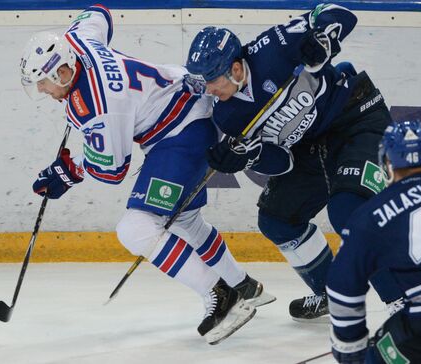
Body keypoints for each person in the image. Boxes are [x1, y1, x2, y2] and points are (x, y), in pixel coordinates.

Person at [19, 4, 275, 344]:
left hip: (183, 132)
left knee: (136, 228)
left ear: (62, 73)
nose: (43, 91)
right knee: (185, 221)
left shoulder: (101, 105)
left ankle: (223, 297)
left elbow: (113, 170)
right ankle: (245, 285)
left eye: (44, 84)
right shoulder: (77, 39)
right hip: (186, 107)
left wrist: (70, 170)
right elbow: (99, 12)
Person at [185, 3, 392, 320]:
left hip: (355, 118)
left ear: (236, 68)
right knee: (276, 219)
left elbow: (338, 11)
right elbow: (283, 163)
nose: (209, 89)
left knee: (347, 210)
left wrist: (324, 38)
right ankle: (332, 293)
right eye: (204, 82)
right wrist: (249, 155)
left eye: (213, 80)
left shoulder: (276, 46)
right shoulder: (228, 116)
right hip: (311, 147)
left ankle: (406, 301)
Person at [326, 120, 421, 364]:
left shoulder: (370, 214)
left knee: (376, 357)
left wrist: (350, 346)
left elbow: (342, 287)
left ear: (387, 162)